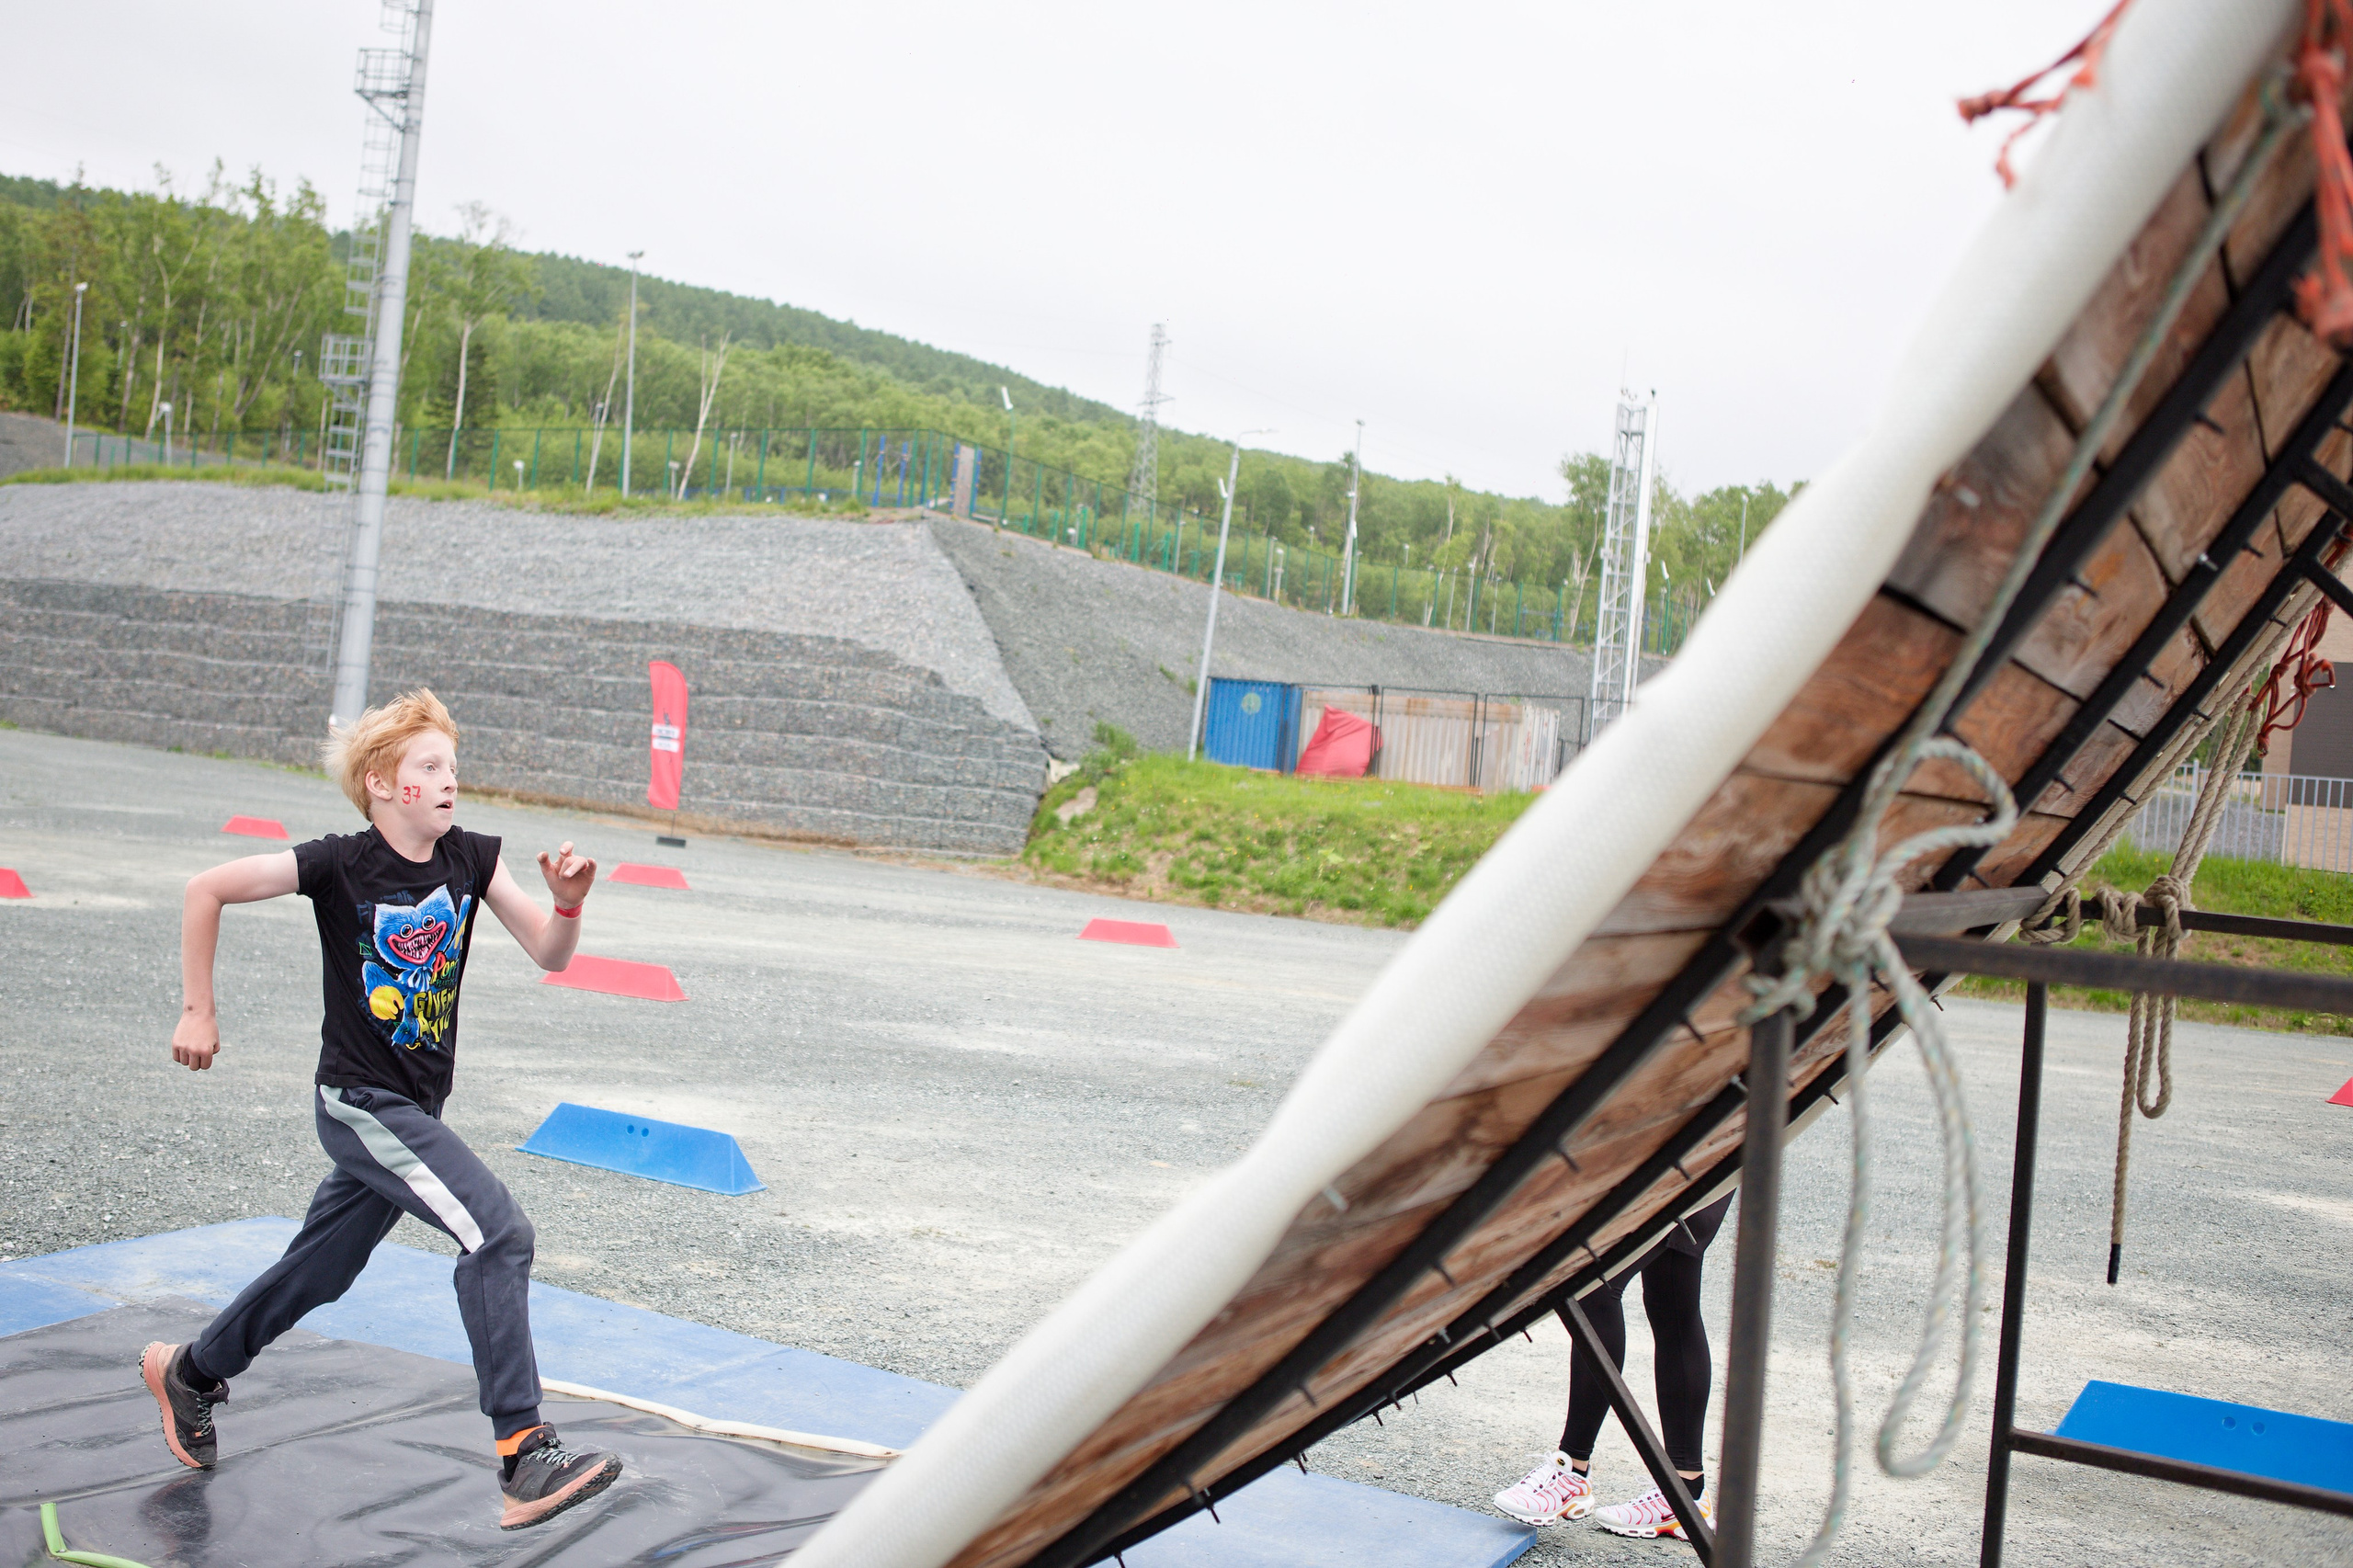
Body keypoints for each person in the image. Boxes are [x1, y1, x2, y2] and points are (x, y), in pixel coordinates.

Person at [139, 688, 625, 1532]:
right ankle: (523, 1451)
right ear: (382, 784)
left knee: (323, 1270)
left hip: (416, 1110)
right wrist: (197, 1009)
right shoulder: (336, 864)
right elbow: (204, 888)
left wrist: (570, 904)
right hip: (361, 1101)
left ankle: (192, 1371)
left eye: (453, 768)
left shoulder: (471, 858)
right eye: (429, 768)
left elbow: (549, 952)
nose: (449, 782)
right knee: (497, 1232)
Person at [1492, 1193, 1733, 1540]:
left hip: (1699, 1154)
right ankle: (1685, 1494)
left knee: (1597, 1283)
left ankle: (1573, 1469)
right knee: (1673, 1297)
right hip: (1712, 1153)